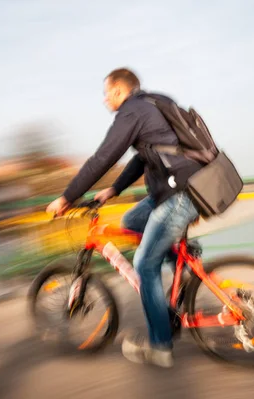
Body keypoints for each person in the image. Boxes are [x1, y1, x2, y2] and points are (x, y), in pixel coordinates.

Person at [46, 68, 202, 368]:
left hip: (179, 194)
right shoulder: (153, 104)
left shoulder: (130, 112)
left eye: (107, 92)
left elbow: (102, 158)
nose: (105, 99)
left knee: (144, 264)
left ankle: (160, 347)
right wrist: (113, 190)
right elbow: (143, 158)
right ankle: (180, 259)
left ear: (120, 90)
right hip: (180, 189)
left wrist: (67, 198)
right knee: (131, 222)